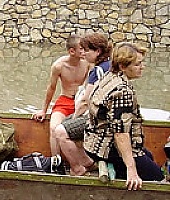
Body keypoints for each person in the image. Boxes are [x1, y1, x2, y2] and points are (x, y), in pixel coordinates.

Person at [84, 42, 165, 190]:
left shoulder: (109, 76)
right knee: (158, 180)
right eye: (137, 64)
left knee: (149, 156)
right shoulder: (122, 91)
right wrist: (131, 168)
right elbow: (120, 133)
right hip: (106, 148)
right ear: (122, 66)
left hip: (93, 143)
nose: (142, 66)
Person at [55, 33, 112, 175]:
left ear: (97, 52)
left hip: (100, 118)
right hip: (109, 114)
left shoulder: (97, 71)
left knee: (60, 131)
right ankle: (88, 162)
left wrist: (75, 116)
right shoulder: (110, 65)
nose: (84, 53)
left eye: (87, 50)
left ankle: (77, 168)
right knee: (69, 127)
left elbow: (86, 101)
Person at [32, 34, 90, 156]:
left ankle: (84, 161)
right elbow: (51, 88)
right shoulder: (59, 66)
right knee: (53, 128)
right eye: (82, 48)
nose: (84, 51)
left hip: (82, 102)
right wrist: (44, 110)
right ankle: (55, 162)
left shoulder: (87, 64)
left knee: (86, 129)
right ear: (72, 51)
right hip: (65, 100)